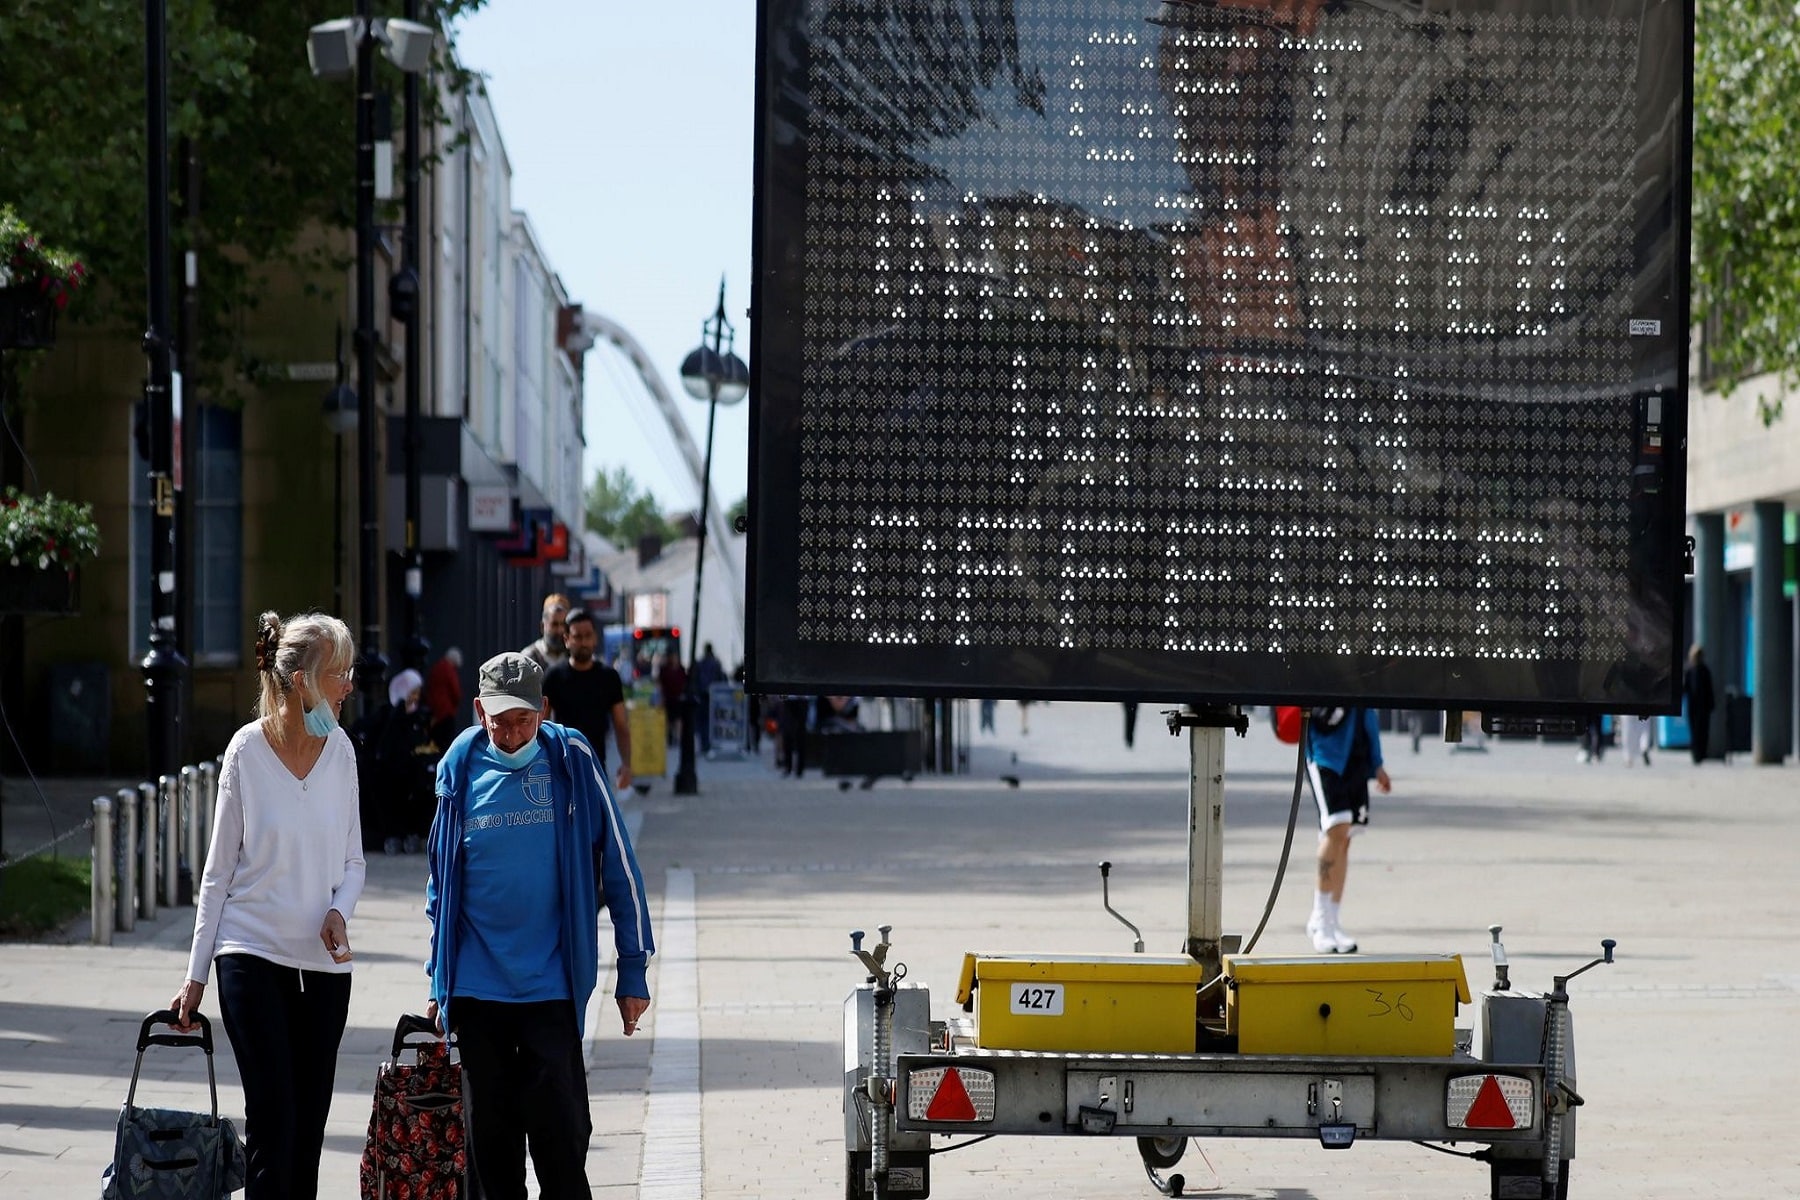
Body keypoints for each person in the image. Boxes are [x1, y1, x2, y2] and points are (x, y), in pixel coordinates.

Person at [426, 652, 654, 1200]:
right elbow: (440, 884)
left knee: (562, 1140)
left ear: (544, 710)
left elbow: (621, 864)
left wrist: (633, 971)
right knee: (492, 1148)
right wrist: (438, 977)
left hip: (550, 985)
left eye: (522, 721)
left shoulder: (570, 758)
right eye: (499, 721)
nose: (509, 733)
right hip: (478, 989)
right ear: (479, 710)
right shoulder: (459, 767)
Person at [171, 610, 364, 1200]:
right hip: (250, 955)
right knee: (273, 1121)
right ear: (303, 681)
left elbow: (354, 861)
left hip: (325, 969)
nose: (349, 684)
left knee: (308, 1133)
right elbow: (218, 871)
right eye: (340, 672)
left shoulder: (342, 752)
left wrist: (340, 912)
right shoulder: (246, 753)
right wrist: (195, 975)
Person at [1304, 706, 1390, 954]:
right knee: (1336, 827)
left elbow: (1368, 710)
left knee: (1346, 836)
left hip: (1355, 756)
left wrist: (1377, 762)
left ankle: (1331, 920)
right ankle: (1319, 919)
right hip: (1324, 752)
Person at [543, 608, 633, 791]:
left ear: (595, 638)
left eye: (588, 635)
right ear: (567, 639)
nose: (583, 642)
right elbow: (541, 726)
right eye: (577, 637)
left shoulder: (609, 677)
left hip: (597, 768)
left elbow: (621, 725)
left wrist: (626, 765)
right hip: (561, 770)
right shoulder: (553, 677)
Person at [373, 668, 438, 854]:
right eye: (412, 693)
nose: (416, 698)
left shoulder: (418, 716)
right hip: (395, 771)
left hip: (414, 770)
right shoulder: (393, 715)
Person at [521, 592, 571, 674]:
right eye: (554, 624)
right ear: (542, 626)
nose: (560, 630)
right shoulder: (529, 658)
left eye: (563, 624)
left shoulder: (574, 656)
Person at [425, 646, 465, 751]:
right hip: (446, 711)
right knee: (447, 741)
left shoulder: (436, 667)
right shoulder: (449, 670)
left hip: (434, 711)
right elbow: (455, 691)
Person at [1683, 644, 1716, 763]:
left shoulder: (1703, 670)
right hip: (1696, 705)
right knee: (1696, 730)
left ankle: (1700, 753)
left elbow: (1709, 688)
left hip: (1701, 705)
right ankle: (1697, 753)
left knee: (1701, 730)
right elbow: (1686, 687)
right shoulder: (1690, 670)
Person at [691, 643, 726, 756]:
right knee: (713, 720)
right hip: (714, 695)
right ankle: (711, 743)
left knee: (702, 721)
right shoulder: (716, 664)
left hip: (702, 696)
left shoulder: (700, 664)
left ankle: (704, 744)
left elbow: (695, 680)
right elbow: (721, 679)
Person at [657, 652, 689, 747]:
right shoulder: (665, 670)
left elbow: (685, 681)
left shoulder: (680, 669)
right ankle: (670, 737)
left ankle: (678, 738)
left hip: (678, 698)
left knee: (678, 719)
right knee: (669, 720)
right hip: (668, 698)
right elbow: (660, 684)